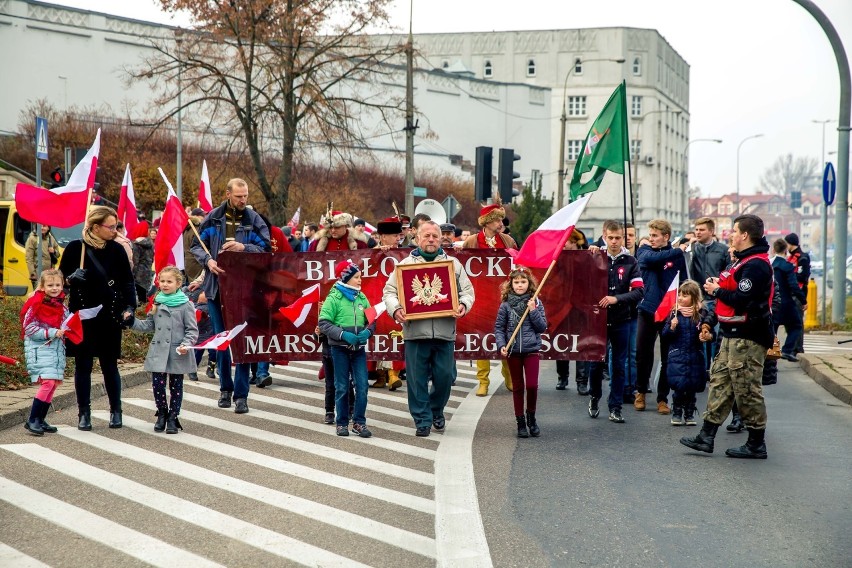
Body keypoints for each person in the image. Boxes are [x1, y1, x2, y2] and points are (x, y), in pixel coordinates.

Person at [681, 214, 774, 459]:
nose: (730, 234)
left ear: (745, 235)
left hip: (748, 337)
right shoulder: (741, 262)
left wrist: (717, 291)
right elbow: (732, 293)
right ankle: (706, 436)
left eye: (734, 231)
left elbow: (744, 300)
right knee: (720, 384)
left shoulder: (756, 265)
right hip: (731, 335)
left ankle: (756, 443)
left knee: (746, 389)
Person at [384, 220, 475, 437]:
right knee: (416, 381)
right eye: (427, 236)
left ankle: (436, 411)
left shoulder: (453, 264)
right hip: (415, 332)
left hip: (444, 332)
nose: (432, 239)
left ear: (441, 238)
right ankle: (422, 419)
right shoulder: (404, 265)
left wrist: (463, 305)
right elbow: (389, 292)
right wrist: (395, 309)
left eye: (435, 235)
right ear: (417, 238)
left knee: (445, 377)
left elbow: (468, 291)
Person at [190, 178, 271, 414]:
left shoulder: (253, 219)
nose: (243, 200)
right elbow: (196, 244)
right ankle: (225, 389)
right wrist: (208, 260)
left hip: (245, 289)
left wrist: (244, 248)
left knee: (242, 340)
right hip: (216, 287)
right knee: (222, 339)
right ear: (228, 194)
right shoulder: (213, 217)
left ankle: (241, 395)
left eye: (245, 196)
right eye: (238, 196)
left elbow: (266, 249)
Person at [58, 206, 137, 431]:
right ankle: (84, 413)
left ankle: (116, 410)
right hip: (82, 317)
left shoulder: (117, 249)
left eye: (115, 226)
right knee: (82, 366)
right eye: (110, 227)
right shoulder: (75, 248)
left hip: (110, 315)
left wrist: (130, 306)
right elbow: (59, 281)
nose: (114, 231)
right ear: (95, 226)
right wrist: (71, 279)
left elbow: (127, 281)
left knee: (109, 365)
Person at [124, 266, 198, 434]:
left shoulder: (186, 305)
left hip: (177, 351)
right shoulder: (157, 301)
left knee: (176, 386)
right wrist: (132, 321)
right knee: (158, 385)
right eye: (162, 281)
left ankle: (173, 416)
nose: (164, 284)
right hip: (159, 350)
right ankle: (162, 413)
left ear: (178, 283)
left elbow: (192, 330)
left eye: (169, 281)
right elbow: (149, 325)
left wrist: (186, 344)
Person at [588, 221, 644, 424]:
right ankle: (594, 397)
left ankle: (616, 406)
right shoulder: (595, 255)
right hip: (598, 319)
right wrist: (589, 254)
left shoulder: (630, 260)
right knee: (595, 363)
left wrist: (617, 299)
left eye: (618, 238)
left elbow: (639, 291)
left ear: (623, 238)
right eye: (610, 237)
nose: (614, 241)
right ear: (604, 235)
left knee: (619, 365)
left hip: (622, 319)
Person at [634, 219, 688, 414]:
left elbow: (683, 280)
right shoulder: (644, 251)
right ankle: (640, 391)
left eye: (656, 236)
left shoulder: (676, 257)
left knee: (667, 356)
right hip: (647, 309)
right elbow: (651, 260)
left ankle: (662, 399)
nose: (651, 239)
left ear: (666, 236)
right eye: (650, 235)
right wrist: (678, 249)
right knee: (642, 354)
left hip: (668, 311)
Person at [463, 202, 517, 396]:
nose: (501, 222)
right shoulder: (471, 241)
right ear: (487, 222)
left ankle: (508, 376)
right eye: (497, 219)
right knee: (481, 338)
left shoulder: (508, 241)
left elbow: (517, 266)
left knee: (507, 337)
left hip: (504, 298)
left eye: (501, 219)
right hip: (480, 298)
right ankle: (482, 380)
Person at [318, 260, 376, 438]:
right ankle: (342, 422)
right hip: (340, 350)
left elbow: (372, 320)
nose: (360, 280)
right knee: (342, 386)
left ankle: (359, 422)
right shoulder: (333, 297)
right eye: (356, 277)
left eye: (360, 277)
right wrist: (343, 335)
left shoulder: (361, 297)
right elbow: (324, 323)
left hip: (358, 350)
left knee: (363, 386)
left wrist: (368, 332)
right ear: (346, 277)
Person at [495, 266, 547, 438]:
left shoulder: (536, 302)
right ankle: (521, 422)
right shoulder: (505, 305)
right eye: (516, 282)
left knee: (532, 385)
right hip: (513, 351)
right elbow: (499, 328)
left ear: (529, 283)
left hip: (531, 349)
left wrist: (532, 310)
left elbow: (541, 327)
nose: (520, 285)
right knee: (518, 387)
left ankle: (532, 417)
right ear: (511, 284)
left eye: (523, 282)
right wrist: (502, 344)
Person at [20, 268, 69, 435]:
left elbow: (64, 324)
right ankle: (33, 419)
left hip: (55, 350)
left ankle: (40, 419)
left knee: (53, 384)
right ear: (42, 286)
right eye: (50, 285)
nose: (54, 288)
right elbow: (29, 328)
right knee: (47, 383)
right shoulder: (36, 304)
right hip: (39, 349)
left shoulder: (61, 305)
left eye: (57, 284)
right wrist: (52, 332)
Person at [662, 280, 713, 426]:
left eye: (684, 296)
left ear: (694, 297)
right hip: (677, 355)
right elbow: (665, 335)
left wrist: (705, 336)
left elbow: (708, 333)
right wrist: (672, 327)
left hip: (694, 355)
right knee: (679, 385)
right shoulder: (674, 313)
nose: (680, 298)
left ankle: (689, 412)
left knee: (692, 385)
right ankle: (677, 411)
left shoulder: (701, 314)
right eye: (679, 295)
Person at [369, 217, 406, 390]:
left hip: (397, 300)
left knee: (395, 334)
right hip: (376, 299)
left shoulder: (404, 254)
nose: (399, 238)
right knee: (377, 334)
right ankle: (380, 375)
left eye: (399, 235)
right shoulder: (372, 252)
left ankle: (393, 374)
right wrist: (377, 252)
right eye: (394, 235)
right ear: (382, 237)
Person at [555, 229, 591, 395]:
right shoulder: (558, 257)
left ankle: (582, 381)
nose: (564, 244)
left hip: (581, 305)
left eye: (567, 241)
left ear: (576, 242)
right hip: (561, 304)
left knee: (581, 343)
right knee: (561, 341)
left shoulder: (587, 257)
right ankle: (562, 377)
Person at [771, 239, 807, 362]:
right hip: (786, 302)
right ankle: (787, 350)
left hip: (772, 303)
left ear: (774, 250)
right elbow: (794, 286)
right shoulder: (787, 266)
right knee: (796, 326)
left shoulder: (769, 265)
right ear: (785, 251)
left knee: (773, 330)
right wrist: (803, 300)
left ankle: (771, 357)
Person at [784, 233, 810, 355]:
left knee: (797, 321)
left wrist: (790, 276)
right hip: (790, 294)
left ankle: (798, 348)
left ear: (791, 244)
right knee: (791, 322)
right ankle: (792, 347)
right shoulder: (790, 258)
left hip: (798, 293)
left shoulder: (802, 258)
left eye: (787, 243)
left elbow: (803, 277)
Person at [25, 225, 61, 289]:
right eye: (40, 226)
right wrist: (33, 273)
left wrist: (54, 251)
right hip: (38, 273)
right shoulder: (32, 239)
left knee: (48, 294)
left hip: (50, 273)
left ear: (48, 228)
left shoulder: (51, 238)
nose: (42, 228)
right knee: (38, 294)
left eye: (44, 226)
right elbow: (29, 258)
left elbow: (58, 254)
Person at [131, 227, 156, 303]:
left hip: (138, 272)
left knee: (139, 295)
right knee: (144, 294)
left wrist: (132, 273)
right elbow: (152, 258)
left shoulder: (136, 244)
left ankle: (140, 312)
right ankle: (145, 310)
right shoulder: (150, 243)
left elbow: (135, 261)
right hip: (147, 271)